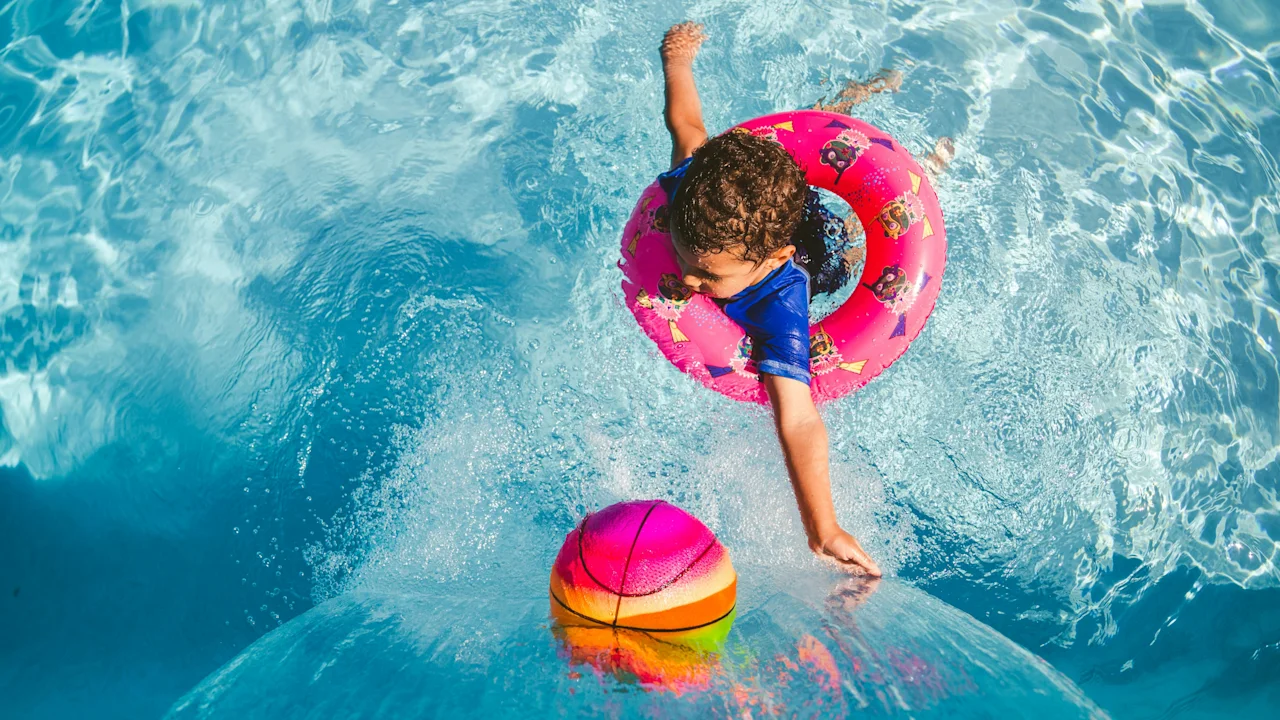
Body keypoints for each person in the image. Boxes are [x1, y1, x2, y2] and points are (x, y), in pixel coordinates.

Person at [657, 21, 887, 576]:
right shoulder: (689, 194)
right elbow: (686, 122)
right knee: (787, 164)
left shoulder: (782, 302)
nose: (688, 282)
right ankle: (848, 97)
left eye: (706, 278)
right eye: (682, 260)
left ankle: (918, 153)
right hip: (764, 221)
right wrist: (677, 65)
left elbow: (799, 419)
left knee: (851, 247)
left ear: (769, 262)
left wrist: (823, 529)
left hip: (816, 248)